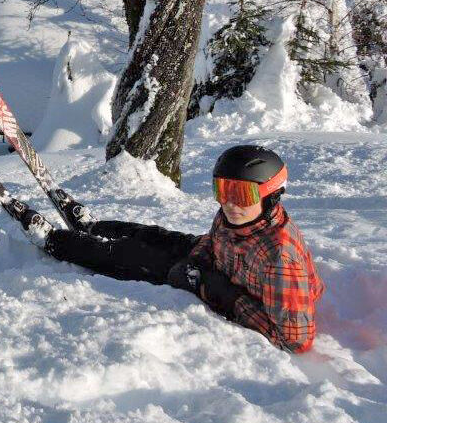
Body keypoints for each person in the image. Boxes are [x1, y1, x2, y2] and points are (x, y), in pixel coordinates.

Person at [25, 145, 325, 353]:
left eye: (241, 194)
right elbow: (223, 244)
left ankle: (58, 241)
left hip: (219, 281)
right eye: (222, 190)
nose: (229, 203)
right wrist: (200, 256)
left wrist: (220, 293)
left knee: (132, 257)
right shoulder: (239, 217)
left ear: (270, 196)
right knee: (151, 235)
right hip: (214, 258)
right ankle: (94, 227)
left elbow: (295, 340)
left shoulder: (280, 258)